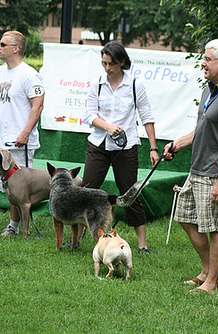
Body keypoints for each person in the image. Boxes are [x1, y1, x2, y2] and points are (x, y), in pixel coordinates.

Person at [162, 39, 218, 294]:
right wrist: (178, 143)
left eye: (208, 59)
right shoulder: (210, 89)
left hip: (215, 174)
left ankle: (212, 283)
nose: (203, 63)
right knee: (185, 218)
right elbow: (202, 130)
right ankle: (208, 270)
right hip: (197, 168)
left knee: (215, 228)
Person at [83, 41, 158, 254]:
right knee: (87, 191)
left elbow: (147, 116)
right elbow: (90, 115)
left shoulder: (135, 85)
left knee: (130, 193)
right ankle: (78, 238)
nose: (107, 68)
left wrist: (153, 148)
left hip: (126, 148)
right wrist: (107, 127)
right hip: (98, 144)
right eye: (104, 63)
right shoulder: (96, 84)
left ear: (122, 62)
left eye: (112, 64)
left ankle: (142, 243)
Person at [0, 31, 45, 235]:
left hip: (18, 141)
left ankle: (13, 226)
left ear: (16, 48)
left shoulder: (29, 74)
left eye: (3, 44)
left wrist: (25, 133)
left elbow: (37, 106)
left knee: (17, 186)